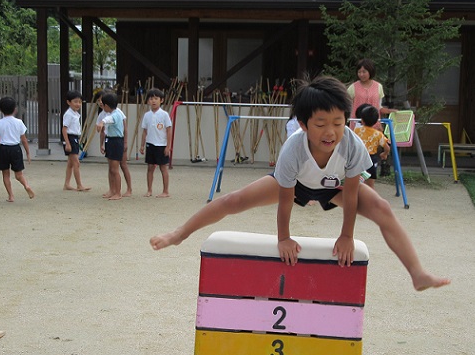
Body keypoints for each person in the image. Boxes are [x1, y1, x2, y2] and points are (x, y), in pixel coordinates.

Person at [150, 75, 449, 292]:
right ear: (304, 125)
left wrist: (346, 236)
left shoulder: (352, 144)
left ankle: (417, 273)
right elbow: (285, 198)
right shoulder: (293, 148)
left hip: (335, 188)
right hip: (296, 186)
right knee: (234, 200)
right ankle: (180, 233)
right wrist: (284, 238)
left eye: (338, 122)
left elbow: (354, 192)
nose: (330, 131)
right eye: (320, 124)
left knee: (383, 208)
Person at [0, 96, 35, 202]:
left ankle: (11, 196)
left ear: (0, 109)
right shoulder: (19, 122)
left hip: (4, 149)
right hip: (16, 149)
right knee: (19, 175)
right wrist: (28, 153)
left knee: (6, 174)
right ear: (15, 109)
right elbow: (24, 140)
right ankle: (26, 185)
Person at [95, 90, 132, 197]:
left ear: (107, 105)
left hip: (117, 141)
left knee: (118, 168)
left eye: (102, 101)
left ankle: (119, 192)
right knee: (111, 168)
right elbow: (102, 131)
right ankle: (112, 190)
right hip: (109, 140)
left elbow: (109, 120)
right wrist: (101, 144)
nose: (100, 103)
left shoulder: (116, 114)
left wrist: (102, 122)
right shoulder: (104, 113)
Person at [139, 88, 173, 197]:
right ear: (148, 101)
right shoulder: (147, 115)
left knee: (163, 168)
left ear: (161, 100)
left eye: (156, 98)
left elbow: (168, 131)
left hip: (161, 145)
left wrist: (168, 146)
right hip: (150, 144)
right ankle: (149, 190)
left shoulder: (164, 114)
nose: (153, 101)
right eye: (151, 99)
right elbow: (145, 131)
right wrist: (142, 145)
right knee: (150, 167)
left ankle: (166, 191)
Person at [347, 59, 395, 130]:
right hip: (358, 126)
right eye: (359, 72)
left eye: (364, 72)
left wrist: (390, 111)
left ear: (370, 71)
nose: (361, 74)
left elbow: (379, 107)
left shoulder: (378, 87)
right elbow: (347, 106)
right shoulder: (352, 87)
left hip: (374, 125)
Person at [352, 104, 390, 189]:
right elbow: (387, 147)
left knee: (357, 183)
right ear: (376, 121)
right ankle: (370, 200)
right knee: (370, 184)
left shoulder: (357, 130)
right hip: (371, 159)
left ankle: (357, 199)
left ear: (361, 120)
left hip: (359, 158)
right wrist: (384, 153)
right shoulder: (378, 134)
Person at [62, 90, 91, 192]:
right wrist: (68, 143)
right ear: (69, 102)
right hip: (70, 138)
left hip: (74, 138)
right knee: (76, 163)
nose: (78, 104)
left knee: (70, 163)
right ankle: (79, 185)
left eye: (79, 102)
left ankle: (67, 184)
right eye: (75, 101)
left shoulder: (74, 113)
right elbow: (64, 129)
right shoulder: (69, 114)